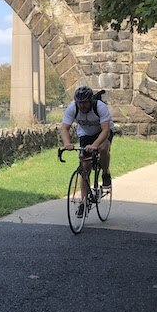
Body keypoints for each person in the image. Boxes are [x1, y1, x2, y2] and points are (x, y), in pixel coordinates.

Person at [61, 86, 115, 216]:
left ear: (90, 101)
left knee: (103, 148)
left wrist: (95, 144)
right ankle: (83, 201)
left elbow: (106, 130)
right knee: (84, 167)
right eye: (79, 103)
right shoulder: (72, 108)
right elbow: (64, 128)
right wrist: (67, 143)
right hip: (85, 134)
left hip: (102, 132)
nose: (82, 106)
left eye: (85, 102)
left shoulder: (100, 107)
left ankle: (105, 173)